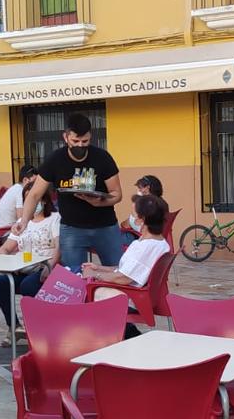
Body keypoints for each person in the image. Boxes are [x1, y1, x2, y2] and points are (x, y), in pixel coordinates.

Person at [13, 114, 124, 273]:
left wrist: (99, 202)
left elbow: (117, 194)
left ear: (90, 137)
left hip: (105, 226)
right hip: (72, 228)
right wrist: (24, 221)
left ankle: (115, 298)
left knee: (118, 270)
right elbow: (34, 194)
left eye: (84, 142)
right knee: (73, 276)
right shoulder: (55, 160)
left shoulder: (102, 158)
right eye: (75, 141)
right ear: (66, 137)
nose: (80, 145)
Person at [83, 194, 170, 339]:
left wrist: (95, 275)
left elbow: (123, 278)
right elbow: (127, 269)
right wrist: (99, 268)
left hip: (131, 296)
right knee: (87, 282)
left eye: (133, 214)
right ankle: (128, 334)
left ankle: (109, 338)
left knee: (84, 291)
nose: (131, 218)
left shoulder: (145, 247)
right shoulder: (161, 243)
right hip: (137, 292)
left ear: (142, 220)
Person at [0, 195, 62, 335]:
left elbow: (59, 247)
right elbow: (6, 248)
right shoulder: (22, 222)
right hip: (22, 269)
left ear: (44, 200)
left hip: (44, 269)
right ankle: (14, 327)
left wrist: (50, 266)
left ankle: (35, 329)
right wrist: (1, 256)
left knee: (28, 285)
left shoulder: (55, 218)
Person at [121, 174, 163, 243]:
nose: (139, 190)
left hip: (140, 236)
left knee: (115, 238)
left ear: (147, 188)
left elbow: (139, 223)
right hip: (141, 234)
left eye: (140, 188)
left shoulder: (150, 204)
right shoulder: (159, 202)